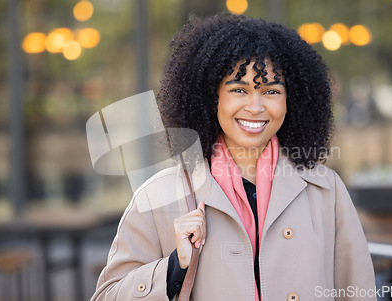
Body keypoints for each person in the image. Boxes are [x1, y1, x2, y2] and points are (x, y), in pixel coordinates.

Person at [91, 12, 376, 301]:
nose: (255, 106)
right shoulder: (157, 197)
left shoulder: (326, 191)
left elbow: (358, 292)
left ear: (292, 101)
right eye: (239, 90)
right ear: (210, 98)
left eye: (271, 91)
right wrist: (175, 266)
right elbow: (107, 295)